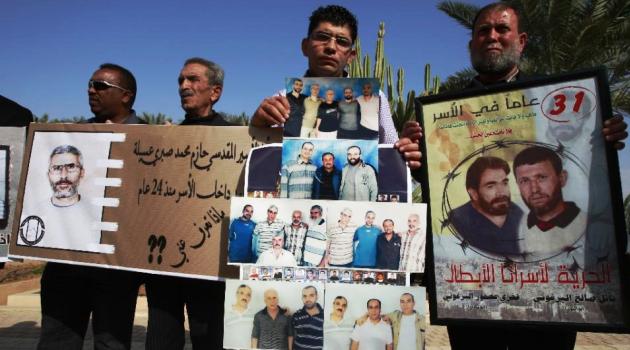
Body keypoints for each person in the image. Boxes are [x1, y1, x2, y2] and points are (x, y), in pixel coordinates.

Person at [38, 63, 143, 350]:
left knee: (111, 344)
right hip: (65, 266)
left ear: (126, 96)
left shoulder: (152, 140)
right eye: (90, 84)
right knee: (56, 342)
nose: (91, 90)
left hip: (117, 270)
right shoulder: (68, 138)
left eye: (100, 85)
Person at [251, 5, 419, 161]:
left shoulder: (376, 98)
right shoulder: (282, 99)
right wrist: (257, 124)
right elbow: (257, 154)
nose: (331, 47)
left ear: (351, 56)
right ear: (305, 46)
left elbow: (390, 148)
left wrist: (401, 150)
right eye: (323, 37)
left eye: (342, 41)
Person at [145, 58, 233, 350]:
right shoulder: (168, 139)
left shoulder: (234, 141)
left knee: (208, 337)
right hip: (166, 263)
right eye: (181, 80)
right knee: (161, 336)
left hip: (210, 266)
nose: (184, 86)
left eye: (193, 80)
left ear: (215, 92)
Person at [19, 145, 101, 251]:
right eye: (57, 168)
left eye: (71, 167)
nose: (63, 176)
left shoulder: (97, 214)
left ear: (82, 173)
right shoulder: (32, 214)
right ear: (48, 174)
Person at [513, 147, 586, 259]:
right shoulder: (518, 228)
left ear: (562, 178)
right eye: (525, 181)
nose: (534, 189)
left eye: (541, 177)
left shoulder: (591, 225)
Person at [448, 156, 523, 256]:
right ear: (474, 194)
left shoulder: (519, 214)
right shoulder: (456, 221)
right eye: (490, 186)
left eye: (504, 183)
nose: (501, 193)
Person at [223, 284, 255, 350]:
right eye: (242, 293)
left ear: (250, 298)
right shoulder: (226, 313)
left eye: (248, 295)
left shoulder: (254, 315)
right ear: (236, 294)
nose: (245, 297)